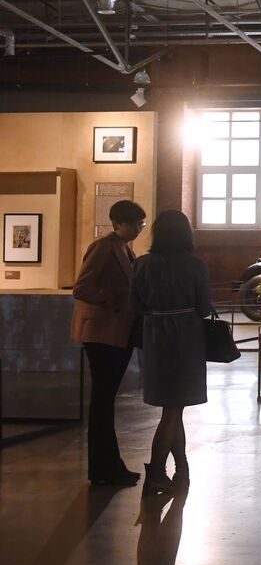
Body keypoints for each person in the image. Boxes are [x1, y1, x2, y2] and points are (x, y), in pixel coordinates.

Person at [131, 210, 213, 495]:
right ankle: (156, 471)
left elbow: (135, 305)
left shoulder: (142, 264)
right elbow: (205, 307)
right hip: (185, 339)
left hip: (155, 337)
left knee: (172, 408)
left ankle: (181, 468)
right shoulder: (195, 266)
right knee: (174, 409)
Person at [71, 199, 147, 486]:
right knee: (102, 401)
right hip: (102, 333)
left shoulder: (126, 248)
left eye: (141, 224)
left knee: (106, 401)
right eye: (135, 224)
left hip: (118, 332)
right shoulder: (103, 247)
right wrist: (114, 296)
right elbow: (82, 288)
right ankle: (103, 469)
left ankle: (109, 465)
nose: (139, 229)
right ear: (117, 224)